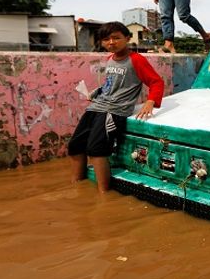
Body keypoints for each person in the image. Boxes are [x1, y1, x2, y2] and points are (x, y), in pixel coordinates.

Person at [68, 22, 165, 194]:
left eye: (116, 38)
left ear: (127, 38)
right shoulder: (109, 60)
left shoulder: (136, 60)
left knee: (96, 149)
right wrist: (97, 92)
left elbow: (156, 82)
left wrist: (151, 101)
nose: (111, 42)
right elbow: (110, 84)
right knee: (76, 145)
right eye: (106, 39)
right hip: (97, 106)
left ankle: (103, 193)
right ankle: (77, 184)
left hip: (115, 110)